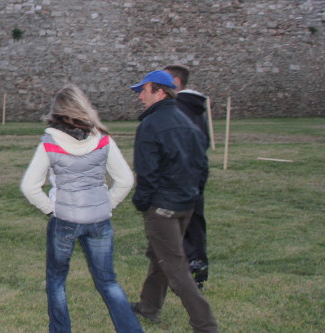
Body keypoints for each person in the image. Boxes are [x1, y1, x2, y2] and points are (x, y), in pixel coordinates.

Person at [21, 84, 143, 333]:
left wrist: (50, 209)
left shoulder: (49, 143)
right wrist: (107, 204)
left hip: (64, 220)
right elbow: (125, 180)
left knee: (56, 280)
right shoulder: (103, 140)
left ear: (57, 111)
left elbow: (29, 186)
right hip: (99, 222)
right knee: (108, 281)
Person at [129, 70, 218, 332]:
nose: (140, 97)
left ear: (160, 92)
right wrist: (192, 194)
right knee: (160, 255)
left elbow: (147, 171)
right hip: (185, 205)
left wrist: (143, 201)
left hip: (163, 207)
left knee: (175, 267)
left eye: (144, 90)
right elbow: (202, 166)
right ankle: (149, 306)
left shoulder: (151, 125)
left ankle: (205, 325)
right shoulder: (186, 120)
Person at [164, 64, 210, 289]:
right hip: (195, 172)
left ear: (175, 82)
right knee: (193, 223)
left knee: (178, 226)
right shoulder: (193, 106)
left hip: (182, 175)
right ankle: (196, 267)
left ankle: (191, 269)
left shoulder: (180, 107)